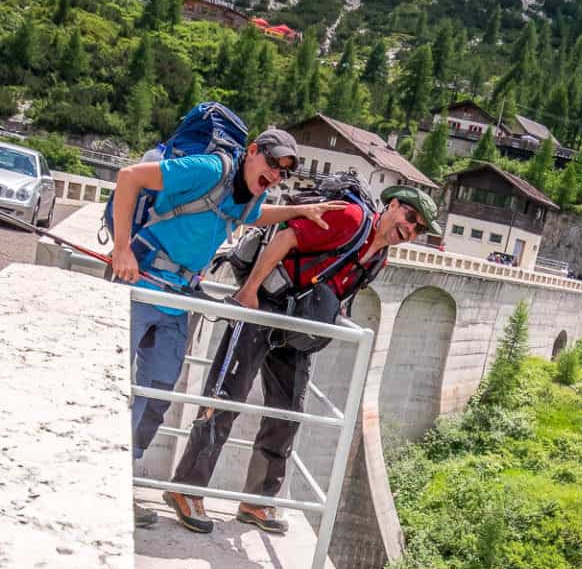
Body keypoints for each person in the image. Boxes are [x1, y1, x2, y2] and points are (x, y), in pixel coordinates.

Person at [164, 183, 441, 536]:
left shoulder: (380, 255)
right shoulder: (352, 218)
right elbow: (287, 239)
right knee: (225, 399)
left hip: (296, 328)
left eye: (419, 229)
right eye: (410, 217)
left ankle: (257, 502)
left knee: (288, 411)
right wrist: (248, 292)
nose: (411, 229)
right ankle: (186, 489)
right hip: (263, 305)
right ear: (394, 205)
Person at [111, 127, 345, 526]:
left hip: (178, 299)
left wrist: (299, 211)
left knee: (155, 397)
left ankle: (117, 487)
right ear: (252, 151)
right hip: (140, 282)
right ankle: (108, 487)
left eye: (283, 173)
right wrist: (120, 250)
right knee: (115, 389)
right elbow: (130, 177)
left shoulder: (247, 196)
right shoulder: (210, 168)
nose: (275, 175)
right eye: (272, 163)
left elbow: (257, 217)